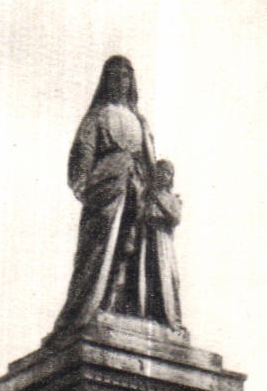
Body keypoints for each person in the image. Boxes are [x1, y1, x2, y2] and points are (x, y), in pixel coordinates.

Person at [53, 56, 180, 335]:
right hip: (108, 190)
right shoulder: (98, 116)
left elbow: (149, 159)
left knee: (132, 250)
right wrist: (87, 186)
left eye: (125, 75)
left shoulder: (140, 121)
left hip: (138, 190)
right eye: (114, 75)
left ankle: (123, 305)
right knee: (100, 249)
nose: (120, 80)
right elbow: (82, 155)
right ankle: (89, 308)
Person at [139, 159, 184, 331]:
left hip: (163, 239)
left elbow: (175, 218)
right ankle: (149, 312)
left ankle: (170, 317)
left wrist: (158, 201)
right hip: (147, 238)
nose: (163, 175)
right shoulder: (147, 196)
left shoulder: (172, 199)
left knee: (166, 276)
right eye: (160, 172)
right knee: (148, 275)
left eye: (167, 173)